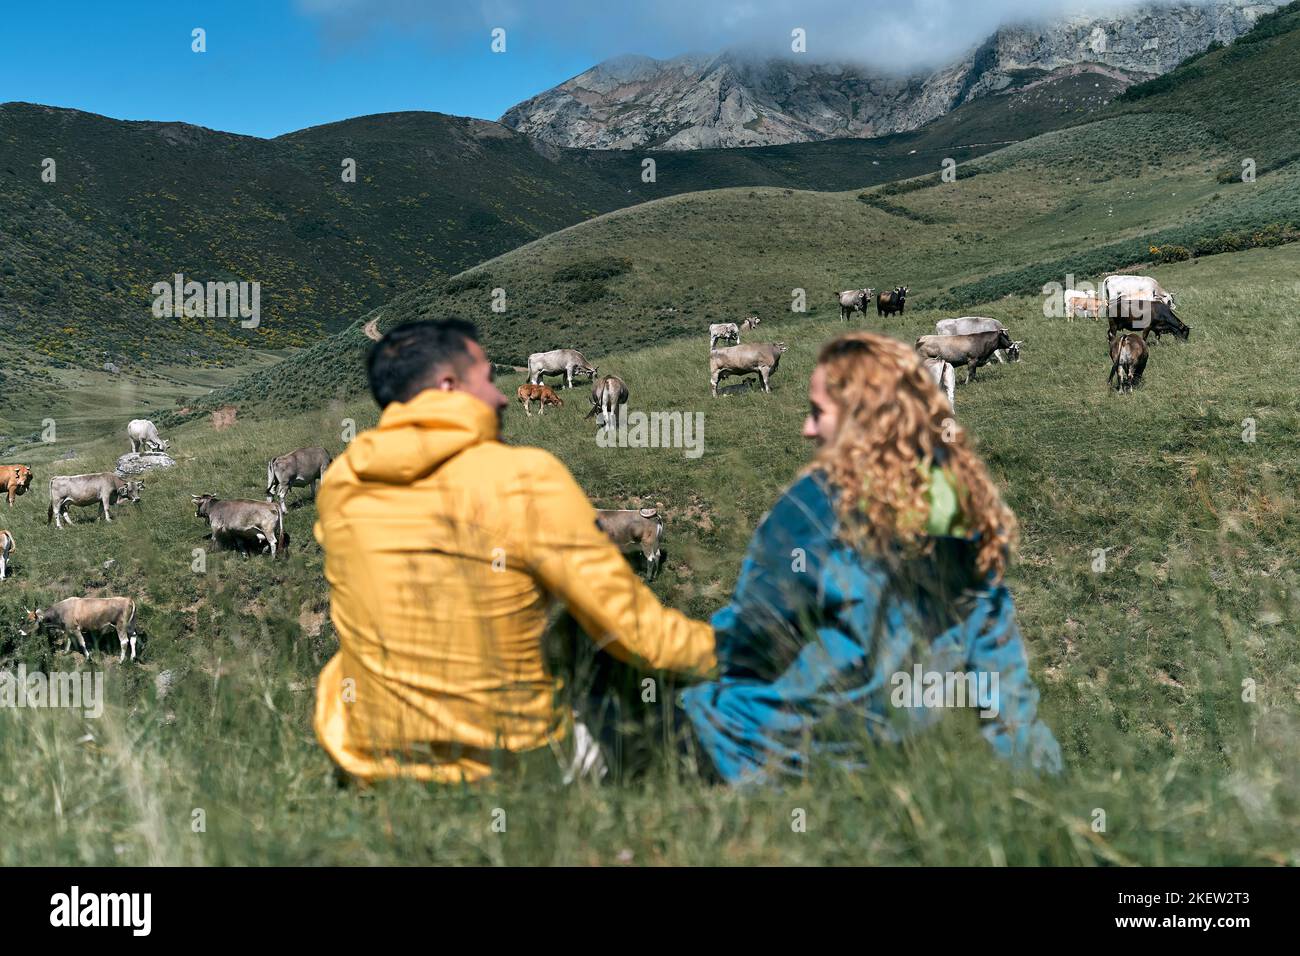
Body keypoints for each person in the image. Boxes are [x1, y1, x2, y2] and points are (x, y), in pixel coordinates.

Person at [313, 319, 715, 785]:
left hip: (367, 749)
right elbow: (638, 632)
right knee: (666, 720)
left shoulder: (343, 483)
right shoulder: (524, 475)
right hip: (500, 760)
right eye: (486, 380)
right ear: (448, 386)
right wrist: (736, 651)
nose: (506, 396)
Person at [681, 332, 1061, 785]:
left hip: (773, 754)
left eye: (820, 413)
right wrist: (1045, 788)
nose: (808, 428)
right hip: (894, 769)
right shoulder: (960, 514)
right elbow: (1002, 680)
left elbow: (745, 642)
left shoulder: (810, 511)